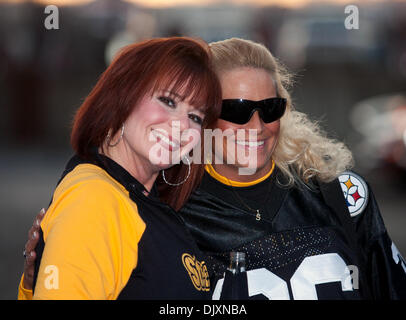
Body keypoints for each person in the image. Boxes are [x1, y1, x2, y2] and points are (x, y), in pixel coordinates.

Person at [20, 38, 406, 300]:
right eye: (235, 110)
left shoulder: (341, 194)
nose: (255, 127)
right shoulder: (165, 210)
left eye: (270, 109)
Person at [18, 37, 222, 299]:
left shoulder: (141, 200)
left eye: (195, 117)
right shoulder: (94, 198)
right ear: (124, 95)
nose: (181, 126)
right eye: (168, 101)